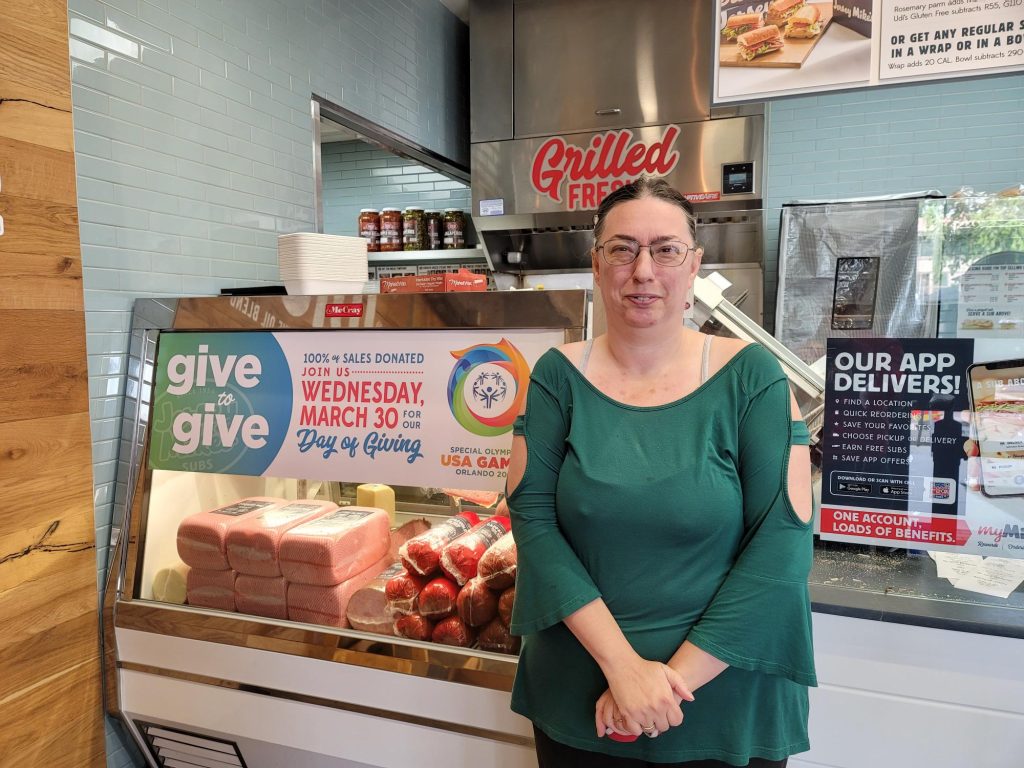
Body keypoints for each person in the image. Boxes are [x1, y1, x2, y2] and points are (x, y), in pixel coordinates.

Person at [505, 176, 816, 768]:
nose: (643, 270)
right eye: (622, 249)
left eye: (665, 249)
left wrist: (664, 687)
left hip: (724, 705)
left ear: (693, 265)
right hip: (581, 699)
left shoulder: (755, 378)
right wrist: (623, 670)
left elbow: (782, 547)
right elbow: (533, 525)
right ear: (597, 264)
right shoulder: (555, 377)